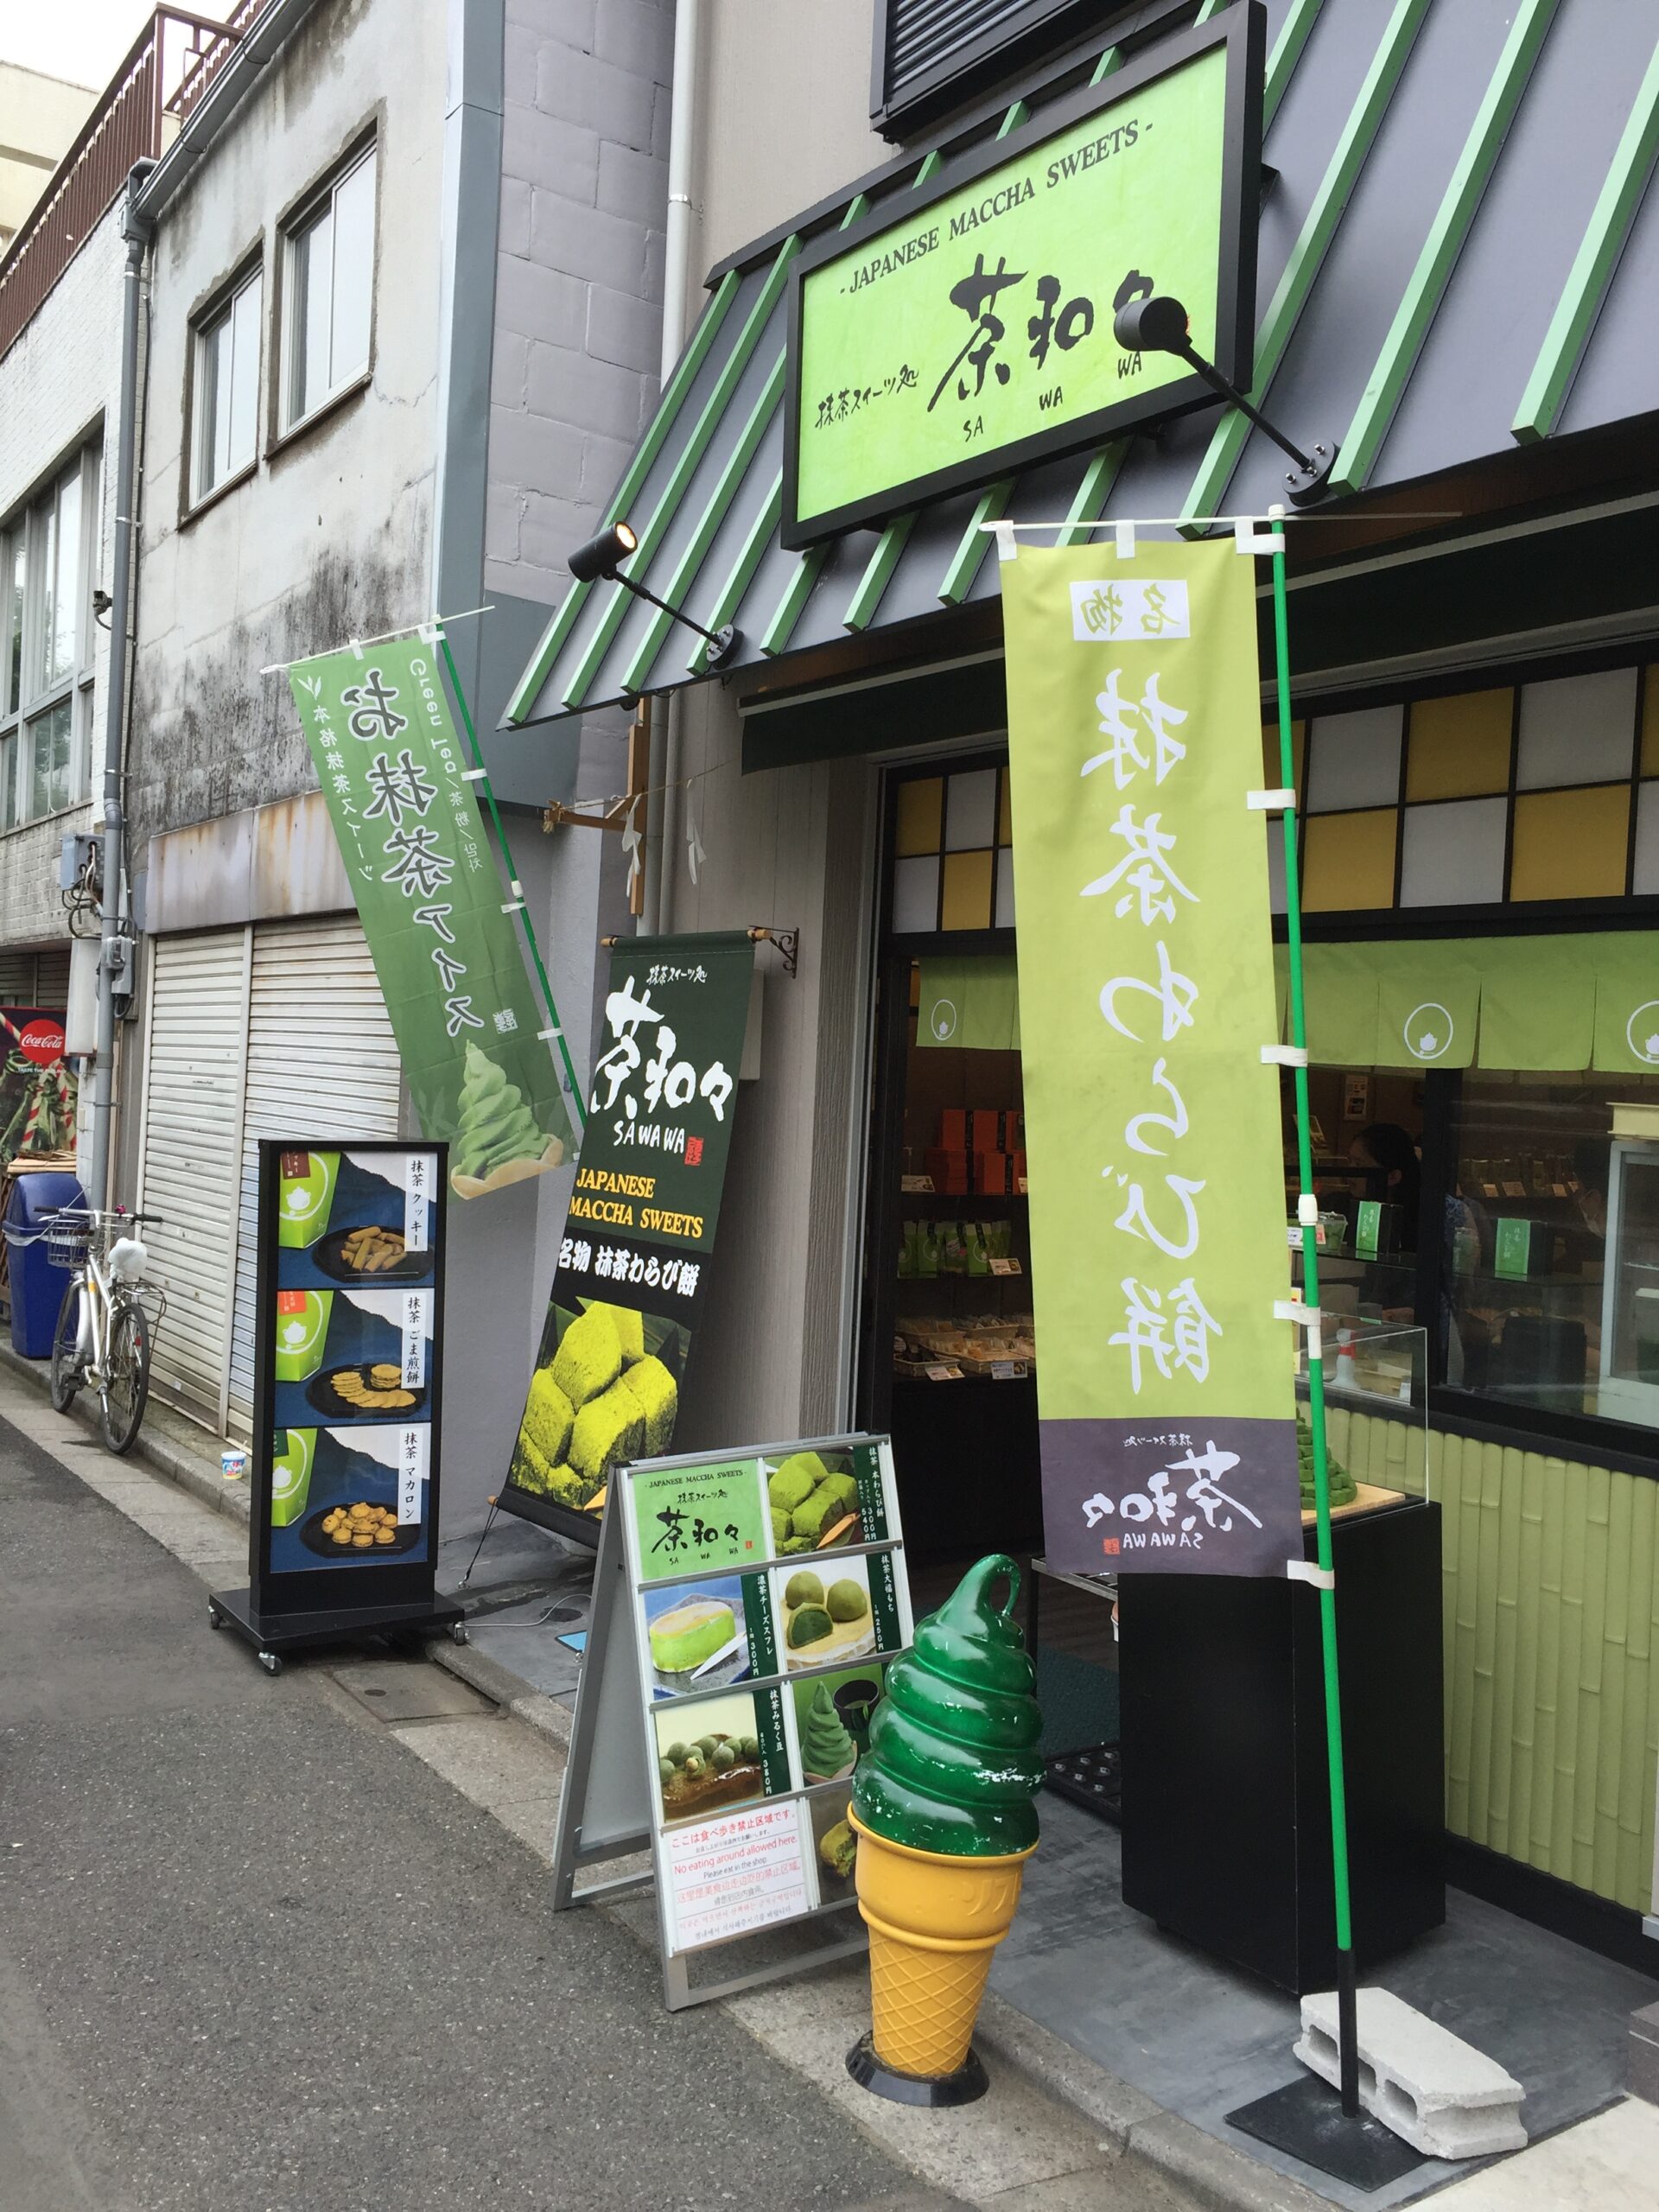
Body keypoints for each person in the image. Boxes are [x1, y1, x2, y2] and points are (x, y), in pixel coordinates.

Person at [1348, 1122, 1421, 1241]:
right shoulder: (1341, 1207)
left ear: (1392, 1176)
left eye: (1359, 1164)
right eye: (1349, 1160)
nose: (1350, 1171)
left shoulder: (1421, 1221)